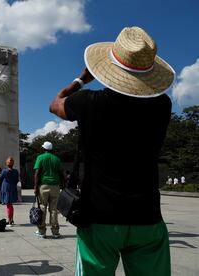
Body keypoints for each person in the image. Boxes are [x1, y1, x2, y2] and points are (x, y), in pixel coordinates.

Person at [50, 26, 174, 275]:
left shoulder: (88, 102)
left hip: (99, 216)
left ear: (109, 69)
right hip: (146, 215)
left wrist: (81, 80)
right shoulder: (162, 105)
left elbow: (55, 104)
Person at [33, 141, 63, 239]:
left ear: (43, 148)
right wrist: (63, 186)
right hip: (55, 186)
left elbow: (37, 173)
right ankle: (55, 232)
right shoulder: (57, 159)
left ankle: (42, 231)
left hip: (44, 185)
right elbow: (61, 173)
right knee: (54, 209)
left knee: (42, 207)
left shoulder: (40, 157)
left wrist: (35, 187)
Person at [0, 157, 19, 226]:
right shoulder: (16, 171)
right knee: (10, 205)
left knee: (9, 205)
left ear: (7, 163)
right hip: (13, 187)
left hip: (6, 188)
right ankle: (11, 219)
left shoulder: (4, 171)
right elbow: (17, 180)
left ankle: (10, 221)